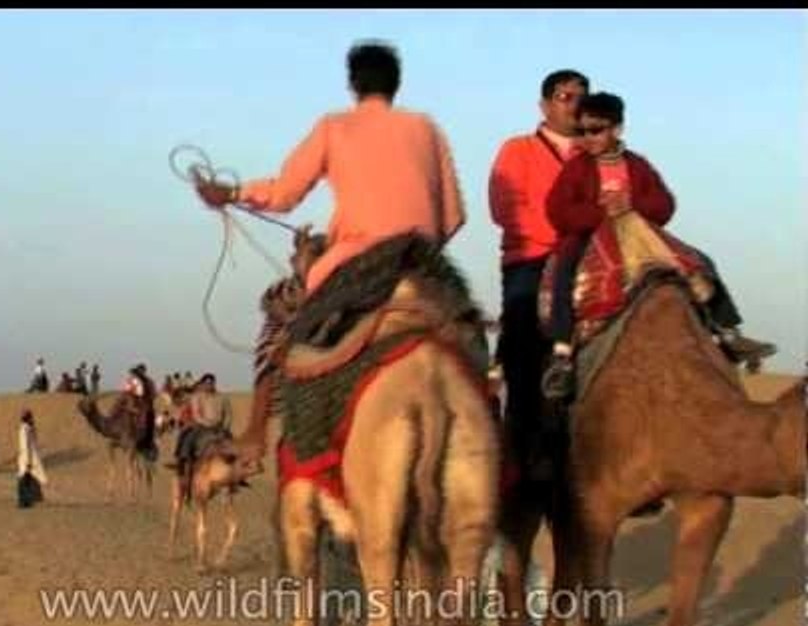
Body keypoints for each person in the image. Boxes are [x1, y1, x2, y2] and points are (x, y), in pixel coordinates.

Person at [195, 40, 467, 469]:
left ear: (353, 84)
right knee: (472, 344)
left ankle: (253, 436)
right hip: (426, 265)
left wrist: (230, 193)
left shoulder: (334, 127)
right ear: (397, 85)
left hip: (355, 263)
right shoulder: (427, 128)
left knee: (282, 334)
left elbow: (284, 194)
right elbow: (453, 218)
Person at [541, 91, 777, 399]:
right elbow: (557, 210)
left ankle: (728, 332)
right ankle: (562, 353)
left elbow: (665, 204)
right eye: (582, 131)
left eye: (596, 130)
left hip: (637, 232)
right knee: (565, 269)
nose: (589, 138)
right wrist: (601, 212)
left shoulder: (637, 166)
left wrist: (632, 204)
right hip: (590, 237)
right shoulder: (577, 168)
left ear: (616, 129)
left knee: (700, 261)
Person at [487, 69, 589, 487]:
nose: (574, 104)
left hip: (590, 257)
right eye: (565, 96)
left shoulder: (597, 153)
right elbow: (505, 208)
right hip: (533, 257)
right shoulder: (518, 150)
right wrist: (562, 236)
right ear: (545, 104)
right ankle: (521, 447)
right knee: (523, 340)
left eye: (582, 97)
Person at [17, 409, 47, 503]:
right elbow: (25, 446)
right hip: (27, 458)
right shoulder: (24, 429)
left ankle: (32, 498)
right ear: (28, 418)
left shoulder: (29, 428)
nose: (32, 419)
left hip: (31, 457)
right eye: (31, 417)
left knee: (32, 477)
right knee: (24, 478)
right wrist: (27, 461)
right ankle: (24, 500)